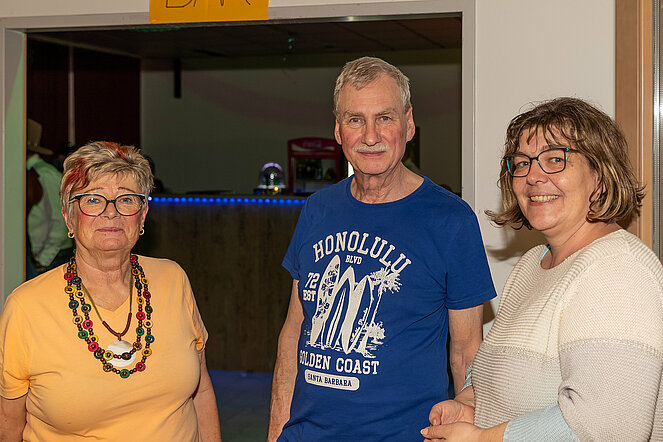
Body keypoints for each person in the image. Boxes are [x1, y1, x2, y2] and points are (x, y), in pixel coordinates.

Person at [268, 56, 496, 441]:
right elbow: (294, 333)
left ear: (409, 124)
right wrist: (276, 433)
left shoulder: (451, 221)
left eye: (384, 118)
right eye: (355, 119)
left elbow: (466, 354)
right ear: (338, 130)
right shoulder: (317, 210)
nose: (370, 136)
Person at [422, 97, 663, 441]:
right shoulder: (531, 265)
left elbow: (608, 427)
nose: (533, 176)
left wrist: (479, 439)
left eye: (555, 159)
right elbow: (505, 373)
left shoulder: (618, 270)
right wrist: (469, 404)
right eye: (522, 163)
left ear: (600, 176)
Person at [0, 141, 222, 441]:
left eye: (126, 199)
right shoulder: (26, 307)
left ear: (142, 215)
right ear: (68, 216)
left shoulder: (173, 279)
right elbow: (9, 427)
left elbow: (201, 391)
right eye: (93, 199)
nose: (111, 213)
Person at [26, 118, 73, 278]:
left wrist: (43, 261)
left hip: (51, 257)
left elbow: (61, 219)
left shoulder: (45, 174)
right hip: (39, 256)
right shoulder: (32, 172)